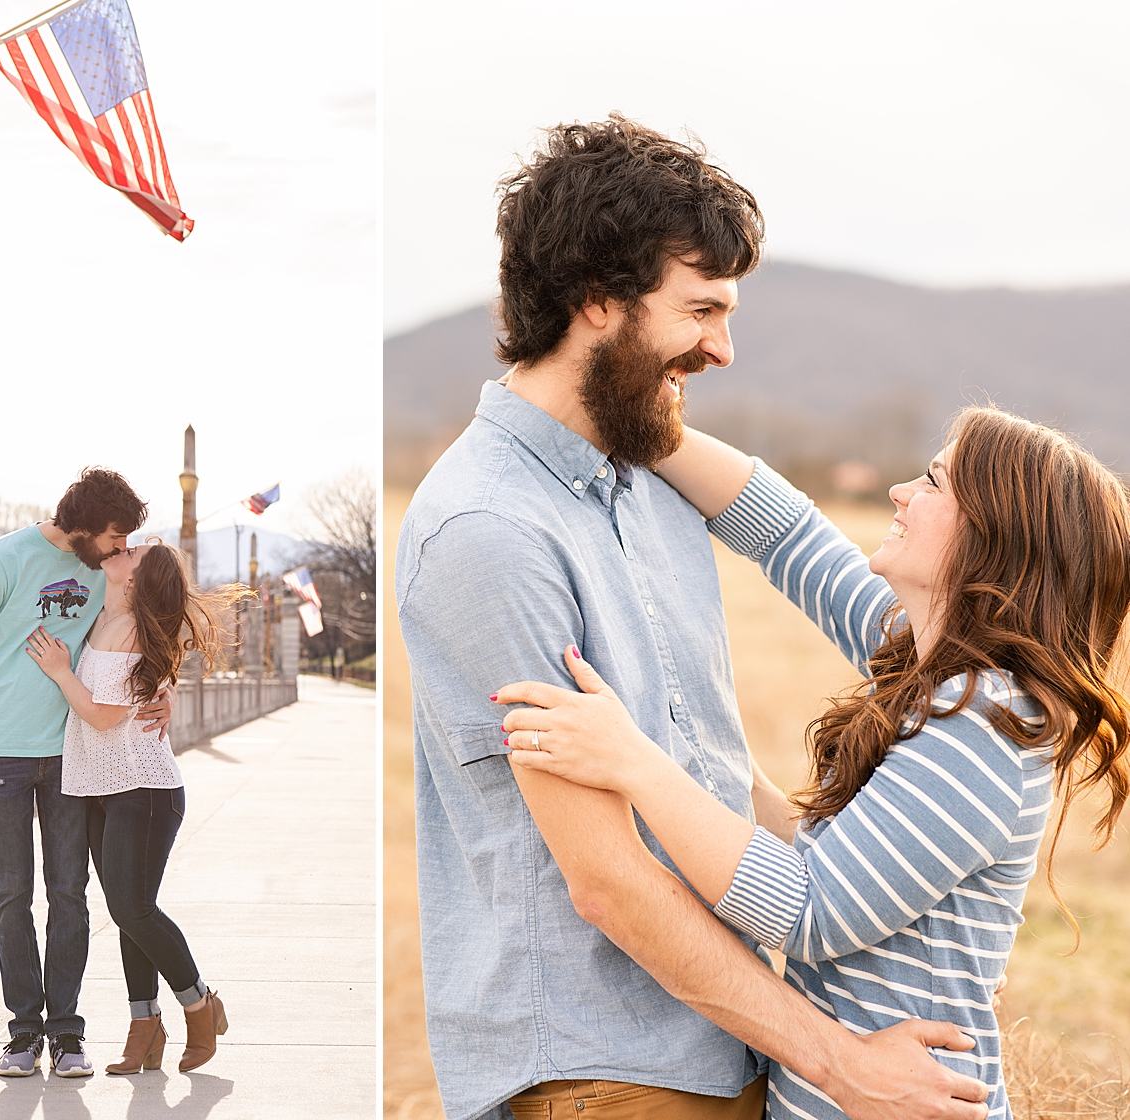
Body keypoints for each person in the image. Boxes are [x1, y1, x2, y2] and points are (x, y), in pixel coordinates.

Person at [395, 115, 991, 1120]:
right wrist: (844, 1062)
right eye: (701, 309)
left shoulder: (652, 474)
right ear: (594, 298)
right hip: (607, 1073)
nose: (723, 346)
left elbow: (709, 751)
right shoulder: (486, 531)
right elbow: (609, 881)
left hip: (725, 1045)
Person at [499, 411, 1130, 1119]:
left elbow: (808, 911)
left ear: (994, 538)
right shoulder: (926, 661)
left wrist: (634, 763)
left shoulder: (985, 725)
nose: (898, 491)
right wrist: (644, 423)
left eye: (932, 482)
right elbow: (784, 532)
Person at [0, 468, 173, 1078]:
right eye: (112, 538)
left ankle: (67, 1033)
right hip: (2, 756)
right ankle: (23, 1032)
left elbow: (148, 630)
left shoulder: (105, 572)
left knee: (70, 895)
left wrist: (165, 690)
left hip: (73, 757)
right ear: (82, 527)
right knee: (12, 893)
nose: (120, 549)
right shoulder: (3, 561)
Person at [24, 539, 250, 1075]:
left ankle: (199, 1004)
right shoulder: (105, 616)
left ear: (135, 579)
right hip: (102, 789)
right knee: (129, 913)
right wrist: (166, 686)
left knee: (132, 909)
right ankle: (144, 1027)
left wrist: (60, 671)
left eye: (133, 553)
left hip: (144, 791)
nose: (120, 550)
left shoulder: (129, 632)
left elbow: (103, 716)